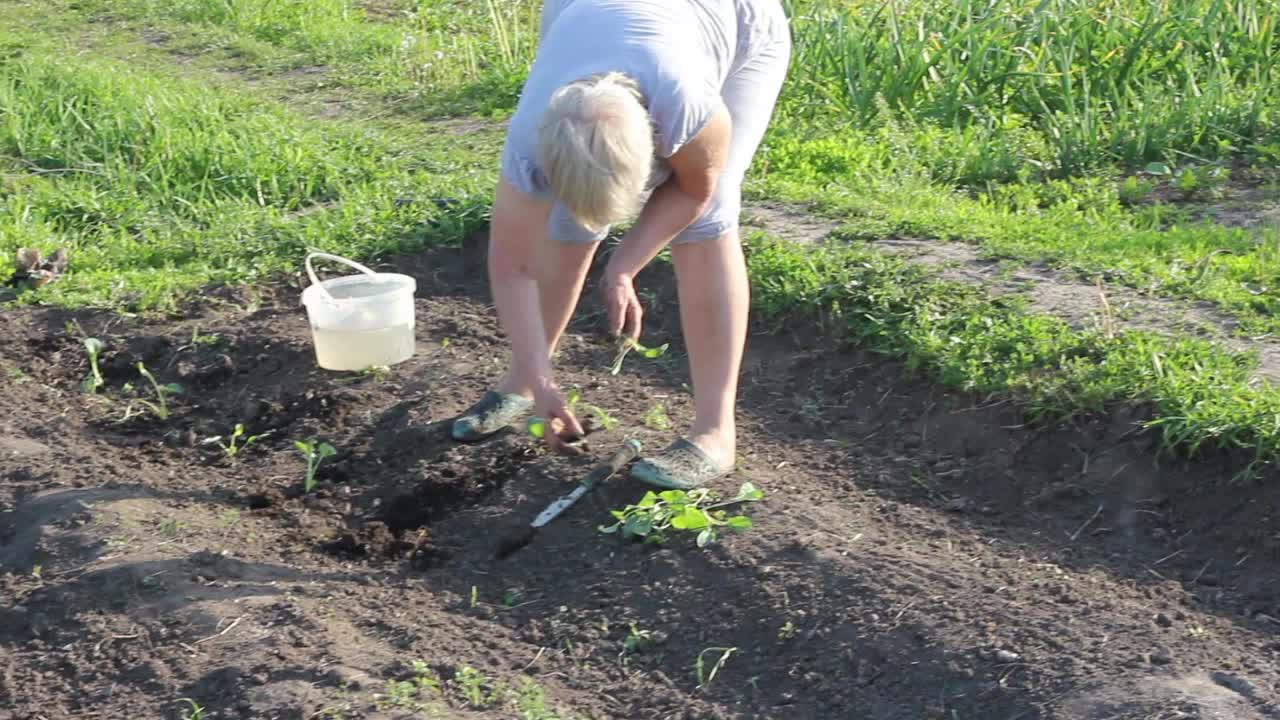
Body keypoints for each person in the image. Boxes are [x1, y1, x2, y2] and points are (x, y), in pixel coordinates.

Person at [451, 0, 791, 490]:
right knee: (568, 219)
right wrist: (540, 373)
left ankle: (716, 432)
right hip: (583, 15)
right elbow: (514, 268)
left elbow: (696, 189)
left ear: (657, 144)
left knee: (706, 227)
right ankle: (524, 383)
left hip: (737, 20)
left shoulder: (687, 108)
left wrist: (625, 266)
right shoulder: (532, 136)